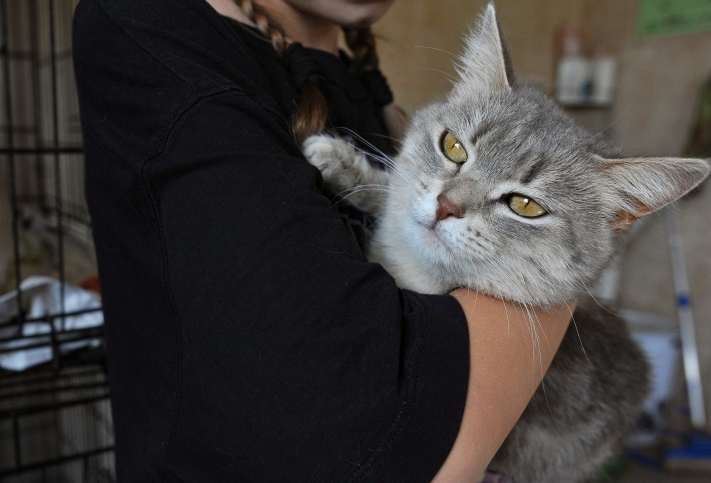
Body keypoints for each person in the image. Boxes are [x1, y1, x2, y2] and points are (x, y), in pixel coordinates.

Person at [72, 0, 575, 481]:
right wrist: (559, 285)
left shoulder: (357, 82)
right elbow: (374, 442)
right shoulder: (157, 32)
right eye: (454, 149)